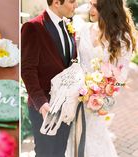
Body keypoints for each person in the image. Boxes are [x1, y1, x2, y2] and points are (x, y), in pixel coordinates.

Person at [65, 0, 137, 156]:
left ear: (109, 7)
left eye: (96, 6)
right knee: (75, 137)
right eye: (90, 4)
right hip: (77, 97)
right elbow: (77, 62)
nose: (90, 9)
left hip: (98, 101)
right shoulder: (84, 30)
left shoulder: (122, 38)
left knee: (95, 138)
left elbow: (121, 76)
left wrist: (103, 94)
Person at [21, 0, 78, 156]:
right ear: (56, 3)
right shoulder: (33, 27)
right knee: (45, 153)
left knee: (60, 151)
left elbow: (70, 62)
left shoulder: (68, 26)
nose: (76, 5)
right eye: (72, 1)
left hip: (66, 107)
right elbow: (27, 70)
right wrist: (41, 103)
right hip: (45, 108)